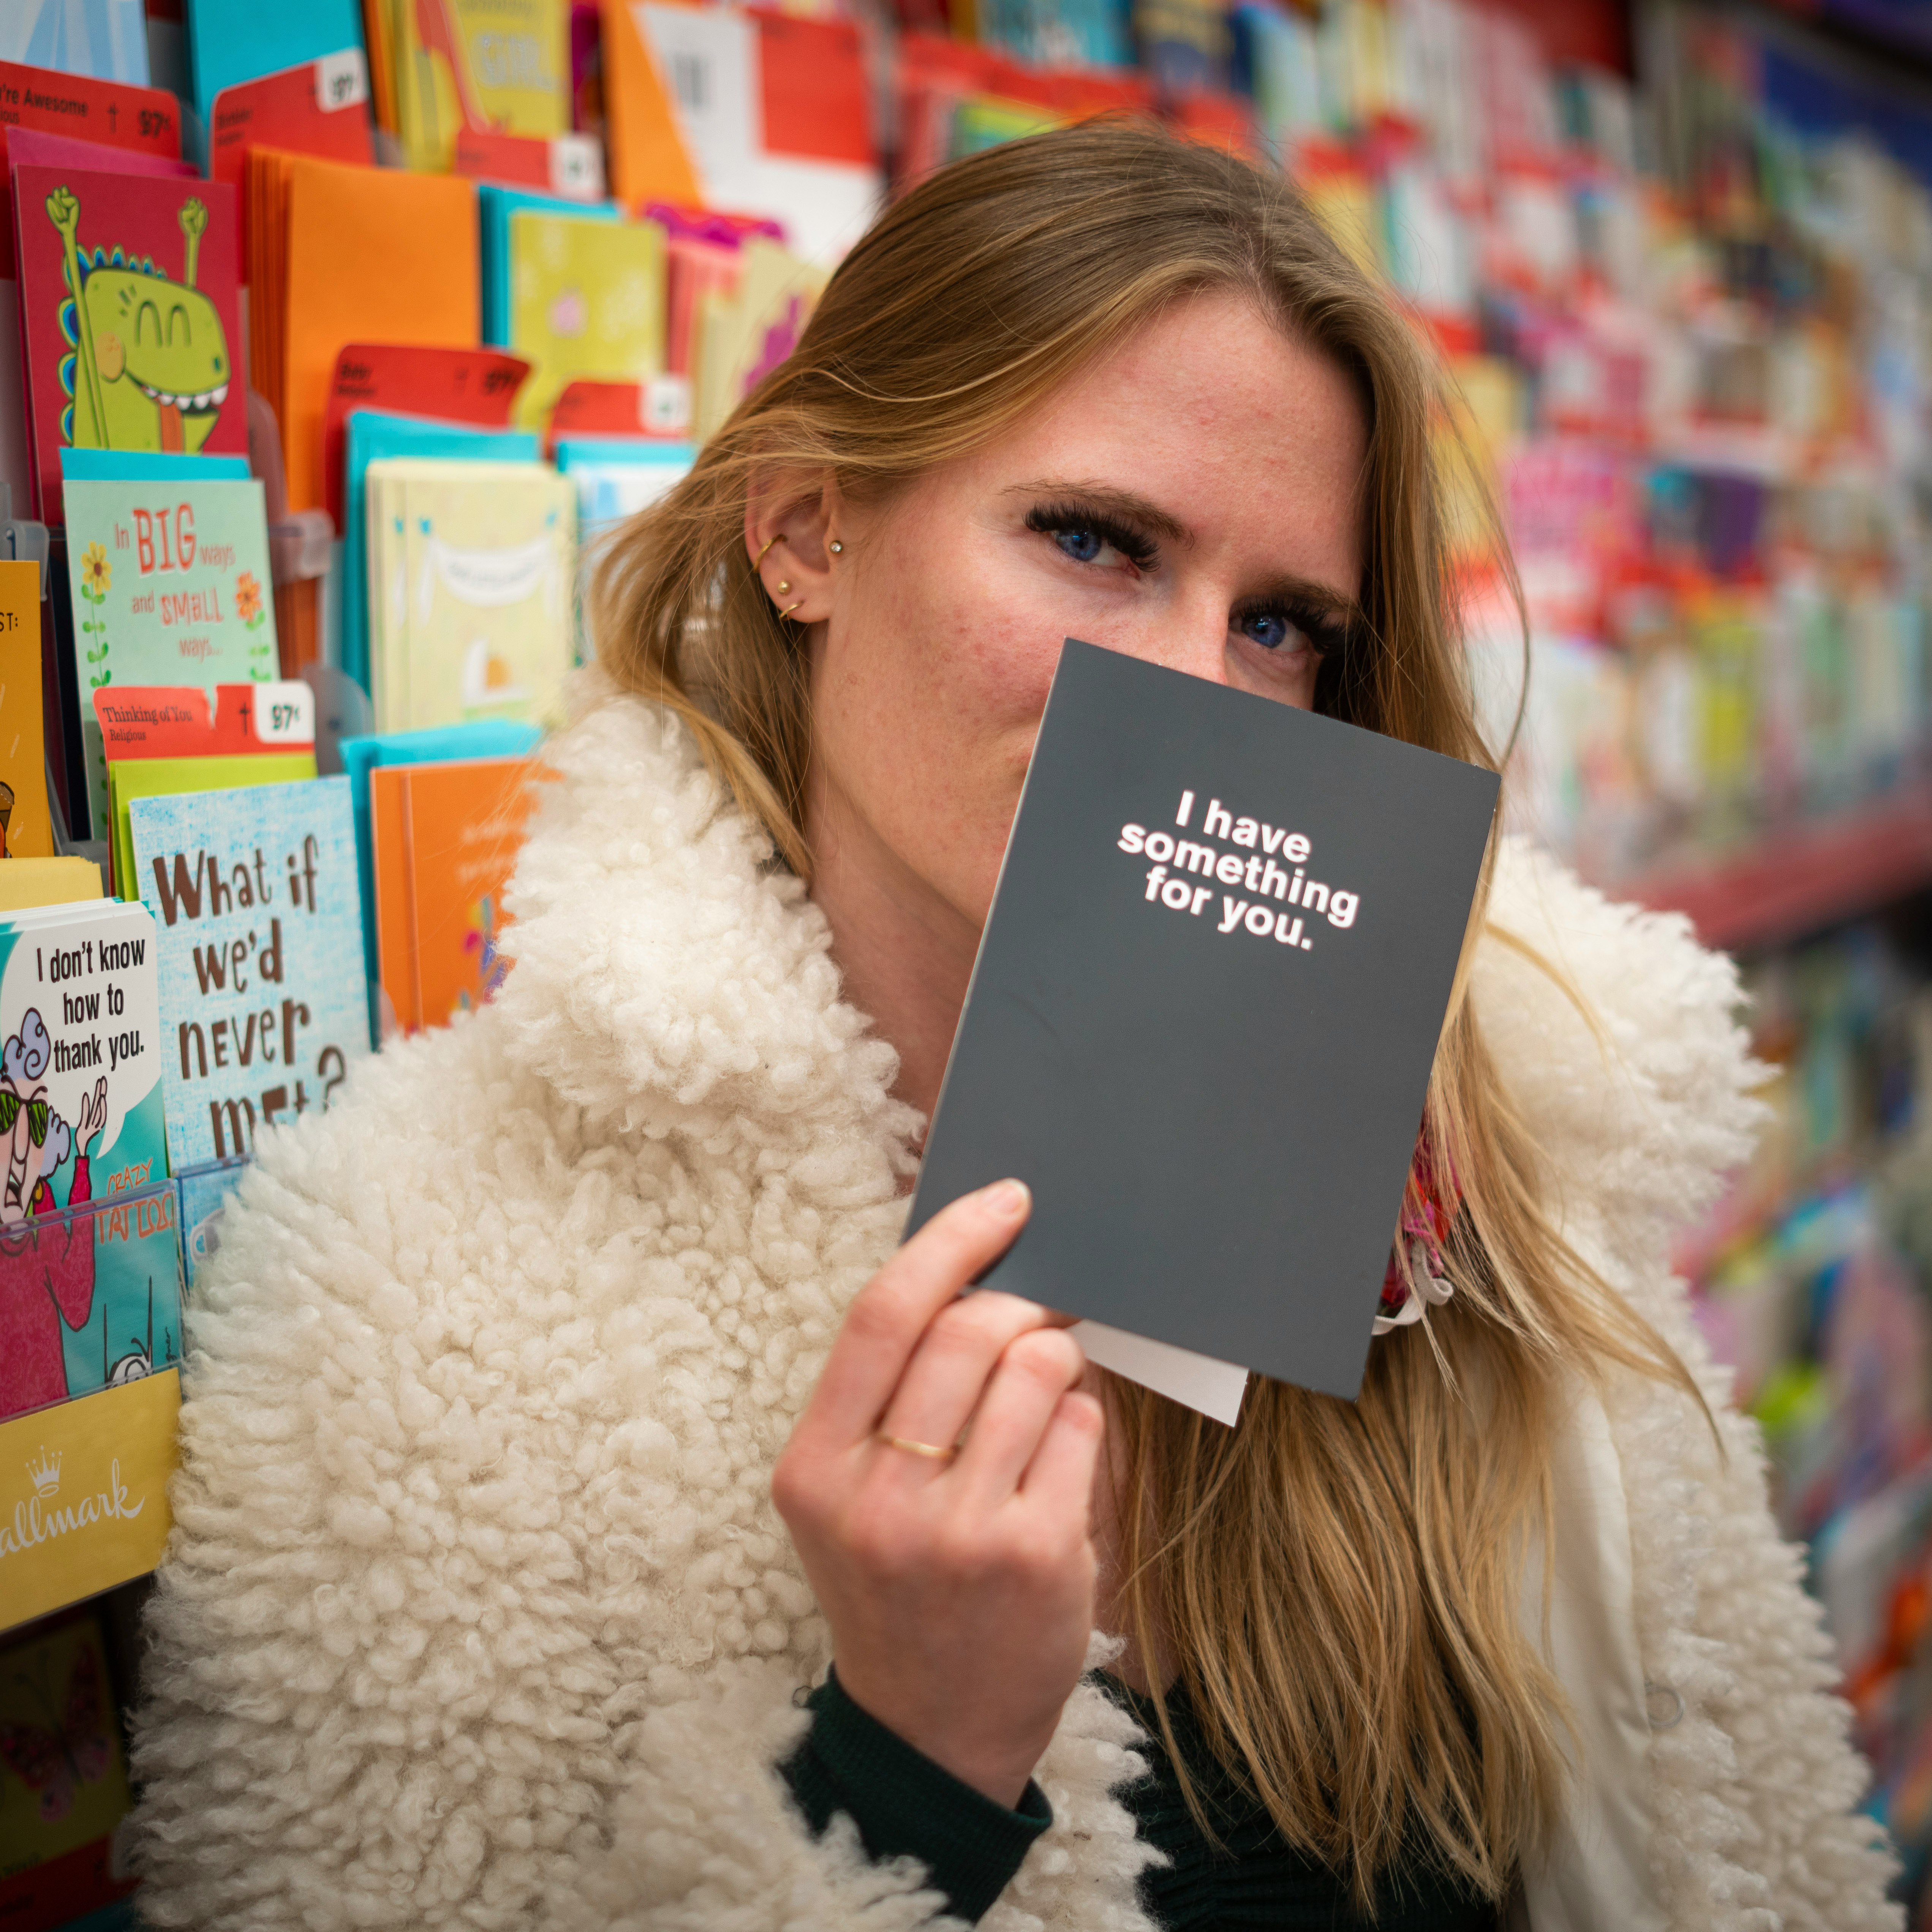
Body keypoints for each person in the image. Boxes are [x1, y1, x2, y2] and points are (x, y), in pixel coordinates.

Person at [130, 119, 1898, 1931]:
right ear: (811, 526)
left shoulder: (1489, 1185)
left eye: (1283, 624)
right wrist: (904, 1771)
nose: (1200, 688)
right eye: (1092, 540)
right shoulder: (419, 1289)